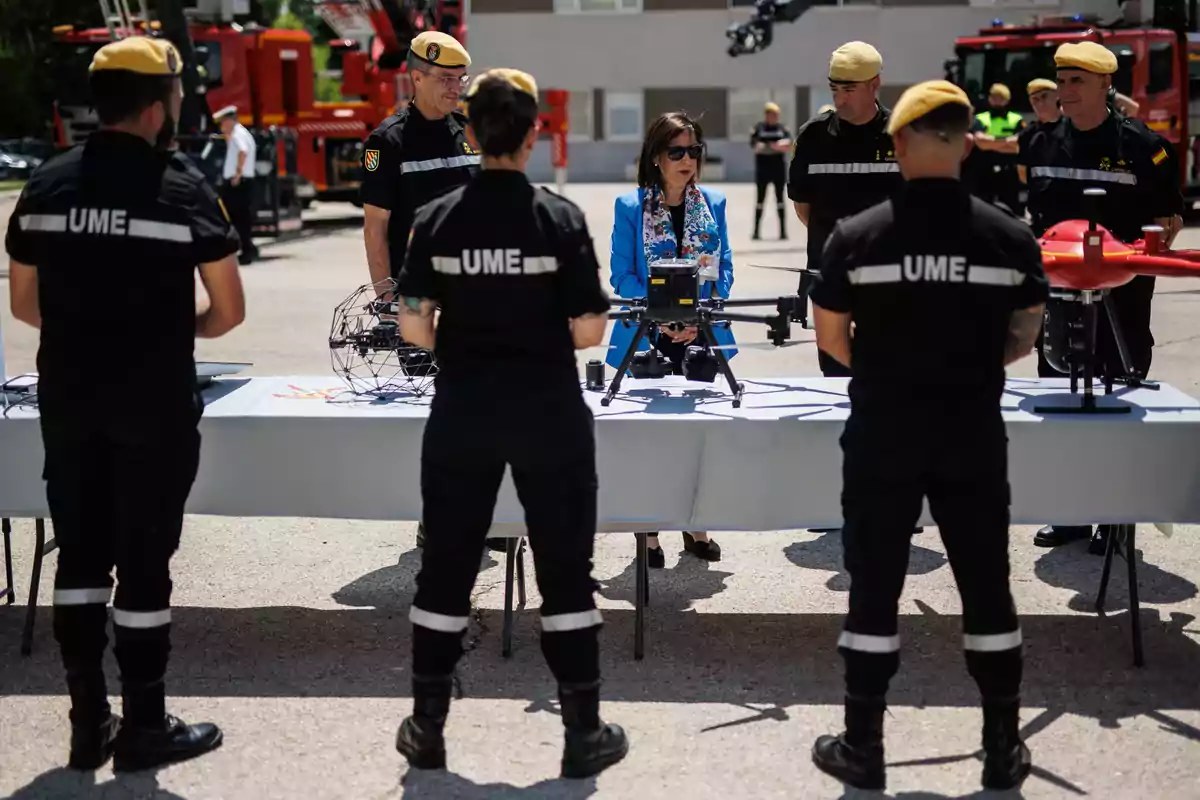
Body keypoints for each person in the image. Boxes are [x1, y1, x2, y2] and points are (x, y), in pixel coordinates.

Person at [4, 37, 244, 772]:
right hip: (153, 402)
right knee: (144, 566)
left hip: (71, 398)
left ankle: (86, 724)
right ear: (157, 106)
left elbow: (23, 305)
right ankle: (145, 724)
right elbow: (228, 311)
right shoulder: (182, 186)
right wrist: (174, 331)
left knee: (79, 557)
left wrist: (89, 331)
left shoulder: (46, 185)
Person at [808, 80, 1049, 792]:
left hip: (885, 429)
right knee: (987, 585)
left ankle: (864, 746)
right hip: (972, 430)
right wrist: (969, 368)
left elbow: (832, 337)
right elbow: (1027, 333)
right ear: (969, 143)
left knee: (875, 586)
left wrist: (889, 370)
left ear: (900, 144)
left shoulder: (858, 236)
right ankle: (1002, 747)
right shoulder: (1008, 235)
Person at [392, 67, 628, 779]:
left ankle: (427, 728)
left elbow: (411, 326)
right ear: (532, 137)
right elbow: (590, 331)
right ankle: (582, 730)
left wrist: (464, 347)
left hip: (463, 411)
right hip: (548, 413)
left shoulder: (437, 219)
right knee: (567, 572)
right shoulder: (557, 218)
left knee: (445, 569)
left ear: (470, 133)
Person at [1024, 41, 1183, 553]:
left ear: (1104, 86)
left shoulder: (1144, 146)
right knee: (1061, 400)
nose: (1065, 91)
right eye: (1061, 80)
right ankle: (1070, 513)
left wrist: (1125, 262)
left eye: (1077, 82)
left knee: (1118, 402)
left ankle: (1114, 518)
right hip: (1062, 297)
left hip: (1122, 298)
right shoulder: (1042, 144)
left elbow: (1168, 221)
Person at [360, 31, 481, 550]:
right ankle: (438, 520)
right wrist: (387, 299)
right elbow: (375, 228)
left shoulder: (467, 132)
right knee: (436, 417)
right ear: (416, 76)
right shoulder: (386, 142)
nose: (457, 88)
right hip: (420, 303)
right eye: (447, 79)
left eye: (461, 79)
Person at [607, 111, 736, 567]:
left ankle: (694, 525)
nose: (687, 160)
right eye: (676, 151)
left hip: (700, 334)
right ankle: (649, 532)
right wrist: (662, 313)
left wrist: (695, 315)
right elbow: (620, 275)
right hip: (647, 335)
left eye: (694, 151)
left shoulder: (714, 203)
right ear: (656, 158)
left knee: (698, 438)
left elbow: (726, 272)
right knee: (650, 442)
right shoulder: (630, 207)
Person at [788, 41, 904, 374]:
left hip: (889, 279)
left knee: (889, 379)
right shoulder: (813, 137)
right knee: (836, 376)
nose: (840, 98)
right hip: (831, 277)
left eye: (849, 89)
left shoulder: (901, 135)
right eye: (835, 89)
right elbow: (803, 207)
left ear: (875, 84)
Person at [214, 104, 259, 264]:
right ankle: (248, 248)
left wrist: (238, 173)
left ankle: (247, 250)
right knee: (240, 217)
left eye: (222, 123)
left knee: (235, 217)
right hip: (241, 182)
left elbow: (242, 151)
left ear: (229, 121)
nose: (221, 127)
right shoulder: (240, 133)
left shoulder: (237, 134)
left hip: (238, 183)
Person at [972, 84, 1026, 214]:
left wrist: (991, 143)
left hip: (1010, 171)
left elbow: (1021, 144)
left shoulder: (1017, 119)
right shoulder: (980, 118)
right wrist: (1008, 141)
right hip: (985, 170)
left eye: (1000, 97)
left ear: (1007, 100)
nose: (996, 100)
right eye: (993, 96)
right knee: (982, 209)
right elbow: (980, 141)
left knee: (1011, 210)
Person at [750, 101, 792, 240]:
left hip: (778, 170)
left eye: (775, 114)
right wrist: (774, 146)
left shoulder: (782, 129)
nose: (772, 116)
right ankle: (756, 232)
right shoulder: (759, 128)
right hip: (763, 170)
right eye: (770, 114)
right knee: (760, 201)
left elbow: (788, 144)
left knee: (780, 201)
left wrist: (768, 147)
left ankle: (783, 232)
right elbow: (756, 146)